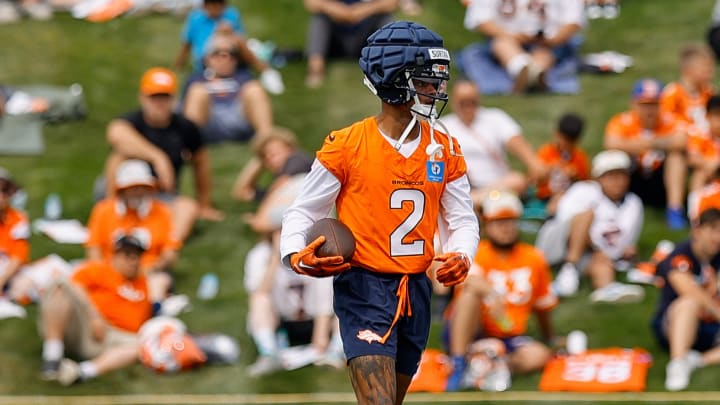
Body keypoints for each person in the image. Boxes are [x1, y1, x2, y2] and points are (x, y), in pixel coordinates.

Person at [280, 21, 479, 404]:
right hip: (364, 287)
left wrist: (462, 253)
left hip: (416, 289)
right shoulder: (347, 144)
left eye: (437, 80)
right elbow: (302, 211)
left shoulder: (445, 146)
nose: (436, 90)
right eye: (424, 81)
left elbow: (463, 220)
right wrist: (295, 255)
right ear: (392, 80)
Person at [444, 191, 557, 391]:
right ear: (487, 224)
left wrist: (550, 337)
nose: (505, 228)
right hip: (474, 329)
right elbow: (469, 281)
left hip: (509, 335)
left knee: (539, 355)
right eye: (498, 222)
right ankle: (460, 361)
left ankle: (493, 366)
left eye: (510, 221)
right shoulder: (476, 252)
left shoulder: (534, 258)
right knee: (470, 295)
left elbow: (543, 306)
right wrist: (492, 294)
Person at [104, 67, 224, 243]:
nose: (159, 103)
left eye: (164, 97)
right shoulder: (133, 122)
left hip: (160, 196)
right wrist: (158, 157)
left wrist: (204, 203)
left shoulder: (184, 127)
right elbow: (115, 133)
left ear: (173, 99)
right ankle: (110, 219)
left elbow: (201, 161)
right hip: (124, 193)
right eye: (154, 97)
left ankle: (162, 245)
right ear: (143, 98)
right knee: (118, 157)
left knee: (188, 208)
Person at [39, 234, 153, 385]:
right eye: (128, 255)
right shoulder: (99, 269)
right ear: (116, 255)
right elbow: (73, 285)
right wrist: (94, 316)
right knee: (59, 287)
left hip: (117, 337)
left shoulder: (142, 282)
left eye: (137, 256)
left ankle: (82, 372)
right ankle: (52, 355)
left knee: (143, 346)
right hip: (86, 326)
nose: (133, 261)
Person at [535, 150, 645, 303]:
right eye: (612, 176)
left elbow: (624, 242)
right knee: (587, 215)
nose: (618, 181)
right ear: (599, 178)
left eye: (622, 175)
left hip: (592, 252)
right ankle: (569, 268)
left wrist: (619, 254)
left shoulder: (634, 203)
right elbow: (569, 225)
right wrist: (596, 248)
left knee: (603, 263)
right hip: (557, 244)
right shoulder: (584, 190)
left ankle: (607, 289)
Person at [441, 79, 547, 208]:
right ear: (454, 101)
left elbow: (516, 142)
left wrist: (535, 164)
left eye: (472, 102)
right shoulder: (443, 126)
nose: (468, 107)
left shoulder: (495, 117)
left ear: (479, 99)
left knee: (517, 180)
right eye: (463, 102)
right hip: (461, 187)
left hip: (498, 184)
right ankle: (473, 202)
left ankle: (471, 202)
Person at [86, 159, 181, 303]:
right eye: (132, 187)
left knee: (160, 283)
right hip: (109, 274)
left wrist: (149, 269)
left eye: (141, 187)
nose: (137, 192)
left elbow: (170, 254)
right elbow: (93, 251)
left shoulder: (163, 212)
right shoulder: (103, 211)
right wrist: (110, 274)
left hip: (148, 275)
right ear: (121, 190)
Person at [604, 78, 688, 230]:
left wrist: (644, 143)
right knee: (617, 156)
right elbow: (611, 143)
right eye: (645, 105)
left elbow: (681, 141)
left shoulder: (670, 120)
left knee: (677, 156)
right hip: (634, 178)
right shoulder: (622, 121)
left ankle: (674, 209)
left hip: (660, 181)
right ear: (634, 104)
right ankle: (613, 206)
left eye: (654, 104)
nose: (649, 110)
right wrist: (658, 143)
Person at [651, 208, 720, 391]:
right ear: (697, 231)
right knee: (690, 302)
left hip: (710, 327)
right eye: (713, 229)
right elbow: (689, 290)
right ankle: (678, 363)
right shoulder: (680, 255)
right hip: (674, 324)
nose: (718, 237)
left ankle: (698, 361)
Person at [463, 0, 585, 93]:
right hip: (507, 39)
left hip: (548, 41)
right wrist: (512, 36)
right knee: (501, 45)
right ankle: (524, 70)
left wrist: (553, 39)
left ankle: (534, 73)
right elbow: (480, 19)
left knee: (545, 53)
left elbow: (573, 20)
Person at [182, 33, 274, 144]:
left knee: (255, 89)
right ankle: (188, 145)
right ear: (207, 58)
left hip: (238, 116)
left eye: (231, 54)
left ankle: (267, 142)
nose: (225, 58)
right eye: (218, 54)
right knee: (197, 91)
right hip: (209, 119)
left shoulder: (243, 76)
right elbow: (183, 109)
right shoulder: (195, 78)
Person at [303, 0, 398, 88]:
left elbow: (391, 3)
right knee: (320, 18)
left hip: (366, 40)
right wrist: (342, 11)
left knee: (385, 18)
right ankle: (316, 71)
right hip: (336, 39)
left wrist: (361, 11)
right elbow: (311, 3)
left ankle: (390, 71)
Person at [232, 126, 313, 204]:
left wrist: (259, 216)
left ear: (290, 149)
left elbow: (283, 182)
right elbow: (241, 192)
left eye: (275, 153)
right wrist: (259, 161)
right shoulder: (274, 190)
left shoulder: (297, 158)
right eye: (265, 157)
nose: (271, 159)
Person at [535, 112, 590, 215]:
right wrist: (548, 169)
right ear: (557, 134)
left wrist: (575, 176)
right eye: (565, 139)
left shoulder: (579, 157)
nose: (566, 144)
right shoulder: (546, 152)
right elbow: (534, 180)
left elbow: (585, 184)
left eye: (571, 141)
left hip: (571, 196)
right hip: (547, 196)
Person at [174, 0, 245, 72]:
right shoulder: (196, 18)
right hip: (206, 57)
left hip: (229, 53)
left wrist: (230, 32)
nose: (217, 7)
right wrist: (178, 65)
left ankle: (254, 68)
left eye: (220, 4)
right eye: (213, 4)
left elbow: (241, 42)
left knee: (237, 39)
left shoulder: (231, 15)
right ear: (205, 5)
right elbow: (187, 45)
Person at [660, 43, 716, 132]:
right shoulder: (673, 93)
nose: (710, 75)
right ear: (688, 69)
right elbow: (664, 121)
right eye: (705, 70)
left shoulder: (709, 92)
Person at [687, 95, 720, 192]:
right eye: (717, 115)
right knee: (700, 173)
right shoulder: (699, 134)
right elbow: (692, 158)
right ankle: (695, 204)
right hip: (708, 173)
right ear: (707, 116)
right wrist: (709, 164)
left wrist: (717, 162)